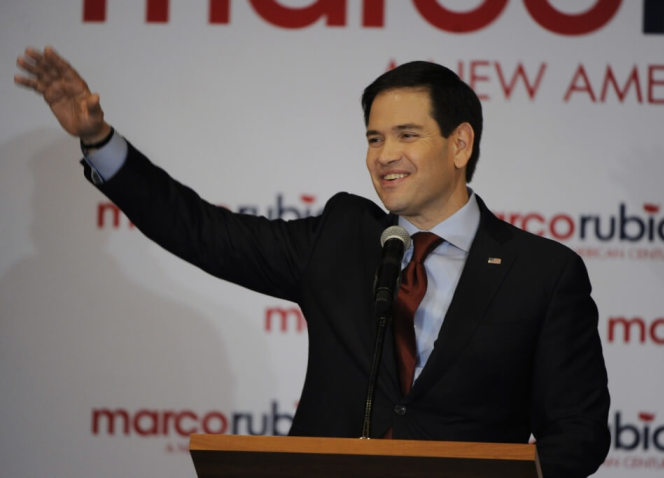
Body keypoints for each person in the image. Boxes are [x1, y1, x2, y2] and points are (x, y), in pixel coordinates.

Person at [15, 47, 610, 477]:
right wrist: (99, 141)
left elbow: (578, 436)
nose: (385, 156)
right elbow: (202, 231)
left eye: (406, 135)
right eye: (375, 139)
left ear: (460, 144)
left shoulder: (542, 273)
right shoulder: (344, 239)